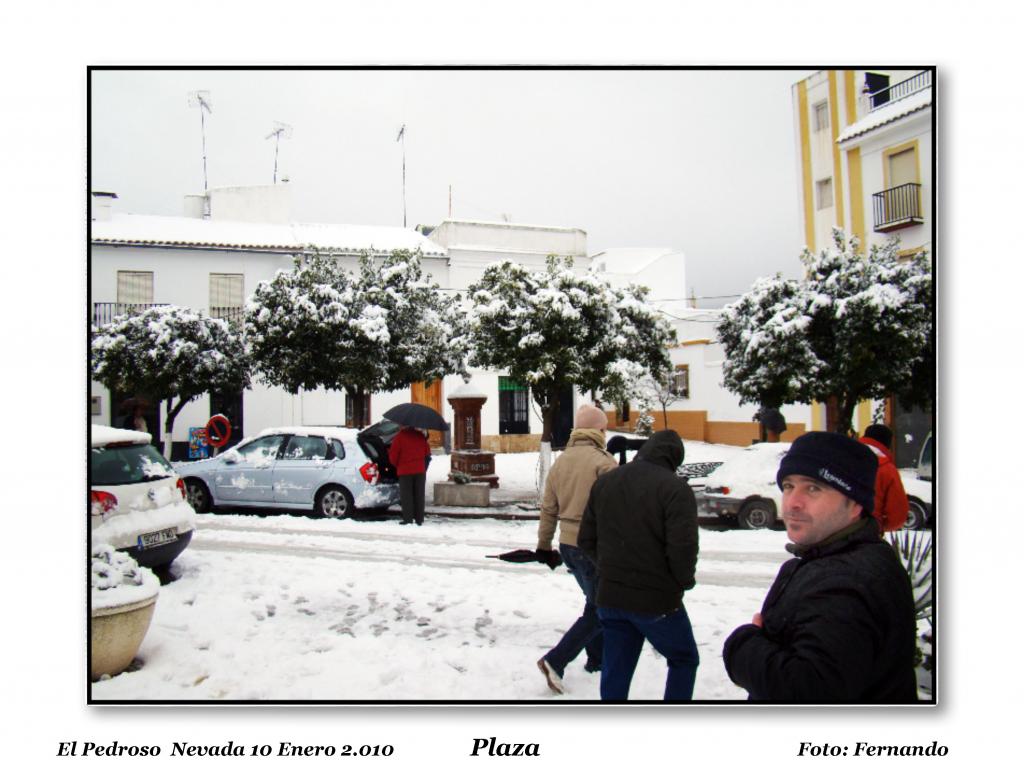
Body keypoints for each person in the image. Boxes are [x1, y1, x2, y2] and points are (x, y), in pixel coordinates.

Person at [722, 431, 918, 702]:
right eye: (789, 486)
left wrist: (743, 645)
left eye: (813, 488)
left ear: (855, 504)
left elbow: (806, 691)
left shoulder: (846, 581)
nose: (793, 502)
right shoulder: (832, 558)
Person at [578, 429, 700, 701]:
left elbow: (586, 539)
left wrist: (610, 569)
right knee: (684, 658)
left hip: (611, 597)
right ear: (674, 458)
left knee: (616, 666)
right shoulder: (675, 489)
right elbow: (683, 548)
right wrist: (682, 582)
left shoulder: (606, 482)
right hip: (656, 601)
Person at [535, 404, 618, 695]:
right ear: (598, 430)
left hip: (568, 545)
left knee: (594, 601)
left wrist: (544, 545)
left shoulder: (561, 462)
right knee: (601, 608)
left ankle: (596, 660)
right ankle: (556, 661)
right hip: (594, 546)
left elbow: (548, 509)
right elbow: (617, 511)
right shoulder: (604, 464)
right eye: (605, 428)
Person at [859, 424, 910, 532]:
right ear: (887, 444)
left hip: (831, 529)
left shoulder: (841, 456)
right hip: (867, 532)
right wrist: (880, 526)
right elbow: (898, 515)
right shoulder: (887, 469)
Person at [388, 425, 431, 526]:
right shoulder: (420, 436)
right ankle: (419, 518)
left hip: (405, 471)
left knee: (407, 496)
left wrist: (397, 465)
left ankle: (408, 519)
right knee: (419, 495)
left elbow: (393, 457)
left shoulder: (399, 437)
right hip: (420, 470)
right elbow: (427, 452)